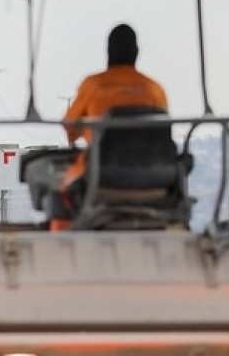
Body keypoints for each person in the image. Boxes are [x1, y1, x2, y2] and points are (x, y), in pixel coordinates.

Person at [58, 24, 169, 227]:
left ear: (108, 53)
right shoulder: (155, 90)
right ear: (136, 53)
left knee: (59, 192)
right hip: (156, 175)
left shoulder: (93, 85)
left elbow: (70, 126)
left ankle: (60, 244)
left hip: (102, 174)